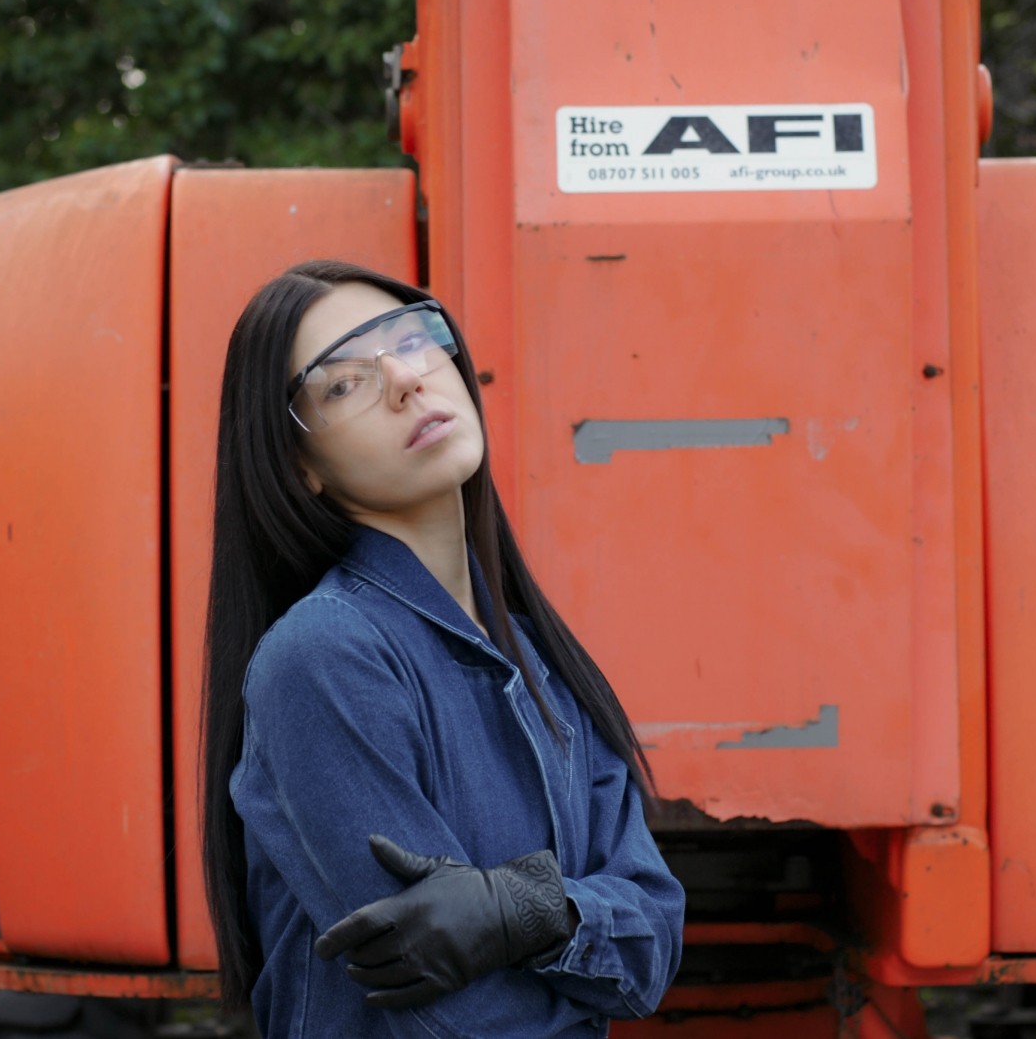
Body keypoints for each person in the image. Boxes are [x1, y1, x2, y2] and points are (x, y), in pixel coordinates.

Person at [200, 260, 684, 1037]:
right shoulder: (323, 658)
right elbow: (452, 1018)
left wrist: (526, 909)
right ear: (301, 467)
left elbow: (655, 936)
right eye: (343, 383)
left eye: (409, 338)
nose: (405, 379)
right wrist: (571, 922)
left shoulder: (536, 654)